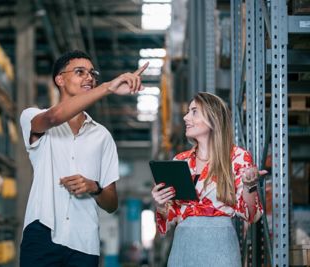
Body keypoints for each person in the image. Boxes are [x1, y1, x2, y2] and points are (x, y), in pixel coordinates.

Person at [19, 50, 148, 267]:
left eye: (92, 73)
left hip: (84, 242)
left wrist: (93, 187)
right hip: (42, 232)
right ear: (59, 79)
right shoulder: (33, 117)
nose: (89, 77)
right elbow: (54, 117)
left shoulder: (102, 137)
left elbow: (111, 203)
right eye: (80, 72)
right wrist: (107, 87)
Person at [151, 92, 266, 267]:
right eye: (188, 111)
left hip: (221, 246)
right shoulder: (180, 161)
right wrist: (160, 205)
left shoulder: (237, 157)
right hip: (183, 245)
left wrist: (250, 186)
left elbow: (251, 215)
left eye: (194, 111)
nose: (186, 117)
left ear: (213, 119)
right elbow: (171, 217)